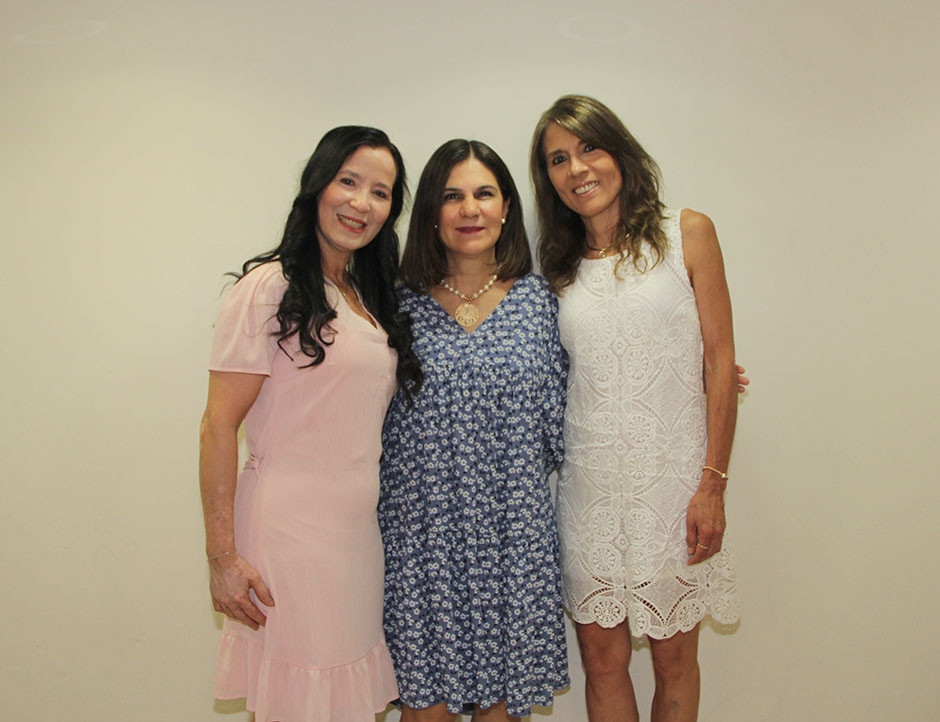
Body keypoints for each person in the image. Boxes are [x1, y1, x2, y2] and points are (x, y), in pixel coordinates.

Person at [198, 125, 422, 722]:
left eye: (380, 192)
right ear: (317, 185)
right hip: (288, 536)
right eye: (348, 182)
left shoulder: (362, 295)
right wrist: (222, 558)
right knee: (301, 704)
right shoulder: (269, 287)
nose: (360, 203)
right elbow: (218, 426)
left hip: (355, 539)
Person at [530, 95, 740, 722]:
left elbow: (721, 361)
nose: (577, 169)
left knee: (675, 659)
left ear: (618, 151)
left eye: (588, 148)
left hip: (672, 492)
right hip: (588, 496)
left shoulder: (688, 233)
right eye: (558, 159)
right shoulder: (558, 270)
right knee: (600, 660)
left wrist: (713, 486)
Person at [378, 139, 569, 722]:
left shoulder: (542, 303)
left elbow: (589, 396)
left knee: (502, 712)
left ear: (506, 207)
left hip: (513, 540)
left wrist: (693, 377)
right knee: (424, 710)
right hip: (420, 543)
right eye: (452, 196)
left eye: (484, 194)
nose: (469, 209)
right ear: (432, 214)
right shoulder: (393, 308)